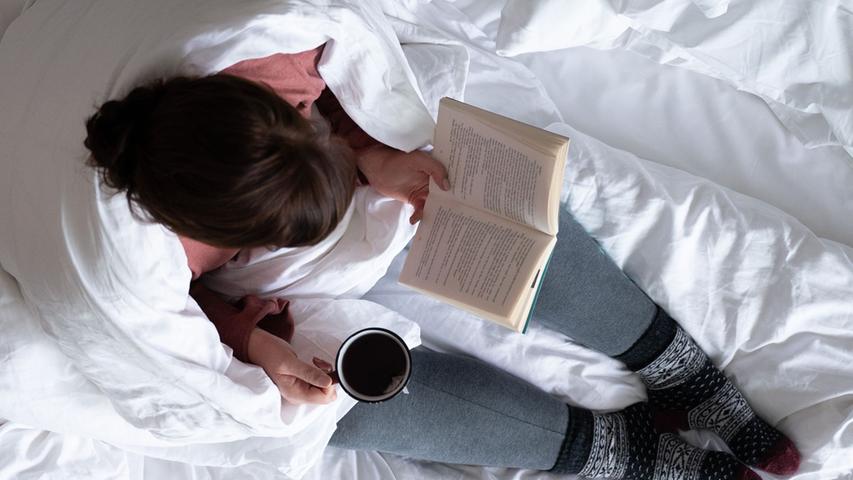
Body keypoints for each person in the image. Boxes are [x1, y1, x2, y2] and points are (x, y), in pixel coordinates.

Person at [82, 45, 800, 480]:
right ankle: (600, 445)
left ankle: (672, 363)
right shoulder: (137, 255)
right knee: (323, 402)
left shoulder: (270, 66)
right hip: (237, 273)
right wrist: (254, 341)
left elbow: (346, 76)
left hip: (281, 160)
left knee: (473, 190)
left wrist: (368, 154)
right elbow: (162, 339)